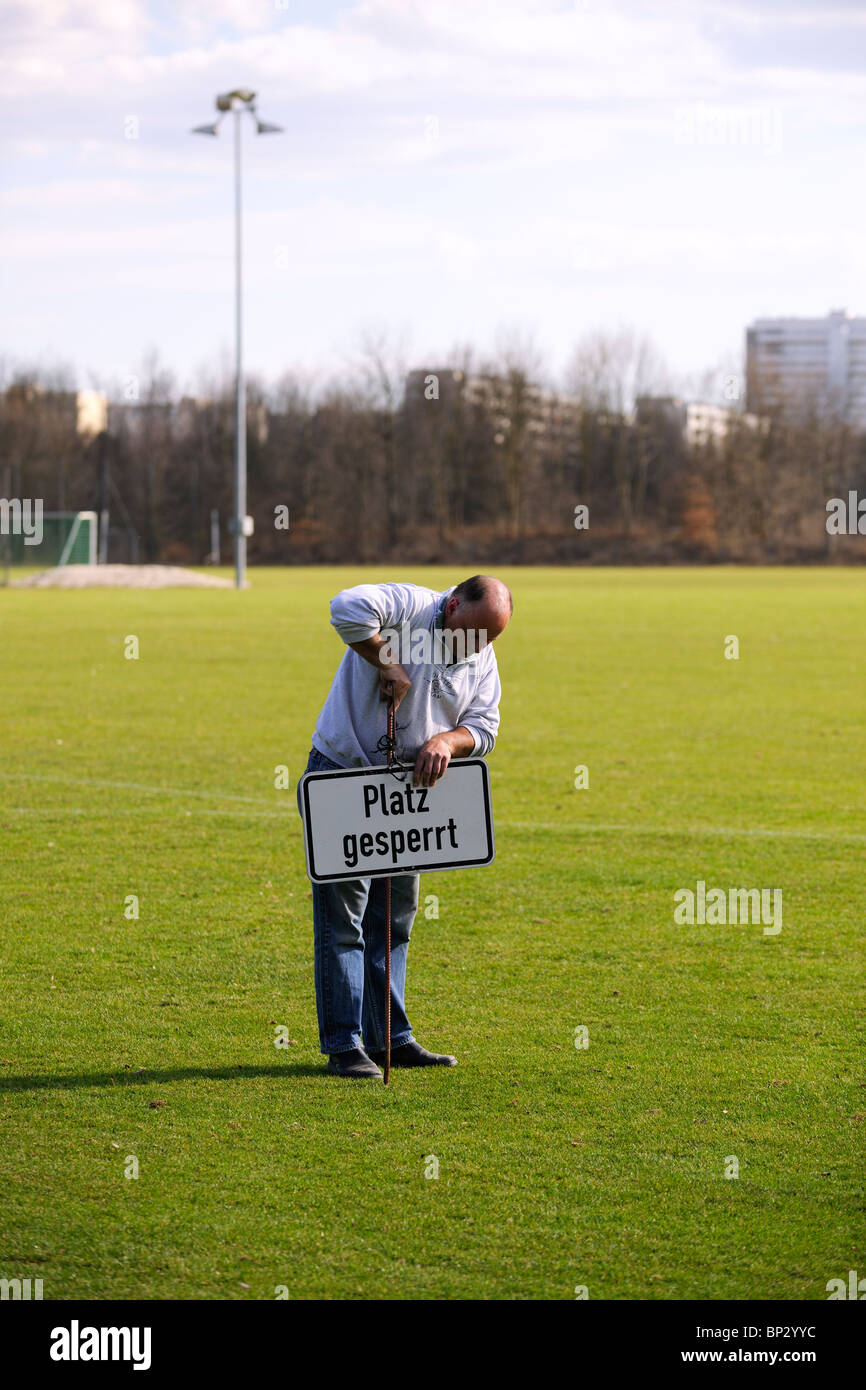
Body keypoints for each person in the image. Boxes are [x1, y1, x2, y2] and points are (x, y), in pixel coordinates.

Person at [298, 575, 512, 1079]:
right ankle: (345, 1046)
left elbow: (484, 727)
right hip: (343, 779)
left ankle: (391, 1038)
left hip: (407, 798)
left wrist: (447, 743)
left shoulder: (479, 653)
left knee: (393, 920)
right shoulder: (408, 606)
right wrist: (386, 661)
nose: (476, 648)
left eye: (489, 640)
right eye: (473, 633)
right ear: (452, 604)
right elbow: (344, 607)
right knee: (343, 921)